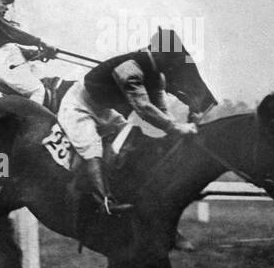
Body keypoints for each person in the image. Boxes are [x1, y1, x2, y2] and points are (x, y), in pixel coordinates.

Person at [56, 38, 200, 214]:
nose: (171, 67)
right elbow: (144, 109)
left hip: (104, 111)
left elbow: (161, 110)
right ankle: (106, 202)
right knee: (92, 150)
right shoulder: (129, 70)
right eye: (170, 60)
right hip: (78, 106)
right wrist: (176, 128)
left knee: (128, 137)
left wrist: (177, 129)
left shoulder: (156, 75)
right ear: (158, 53)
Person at [0, 0, 57, 104]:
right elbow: (14, 33)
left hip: (5, 61)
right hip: (4, 60)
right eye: (3, 3)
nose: (7, 8)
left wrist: (37, 54)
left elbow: (11, 45)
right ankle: (32, 121)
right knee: (37, 90)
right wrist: (41, 42)